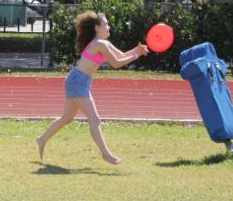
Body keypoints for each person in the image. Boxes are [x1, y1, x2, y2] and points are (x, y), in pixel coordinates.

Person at [37, 11, 149, 165]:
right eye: (106, 24)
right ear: (97, 28)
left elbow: (121, 55)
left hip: (78, 81)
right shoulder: (99, 44)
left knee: (66, 119)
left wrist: (137, 51)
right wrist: (136, 56)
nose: (109, 26)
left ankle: (42, 139)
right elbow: (116, 63)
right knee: (94, 119)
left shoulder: (104, 43)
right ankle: (106, 154)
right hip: (77, 82)